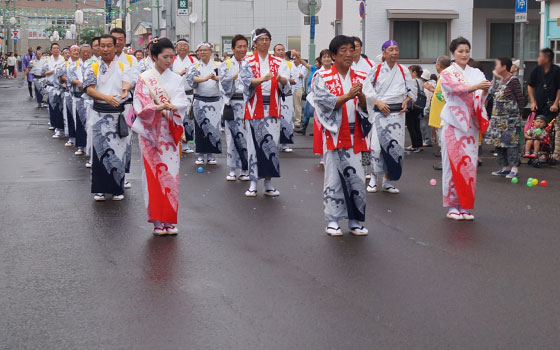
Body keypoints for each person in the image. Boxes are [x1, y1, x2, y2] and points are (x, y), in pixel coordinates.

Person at [312, 35, 371, 236]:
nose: (348, 54)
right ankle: (332, 219)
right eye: (343, 50)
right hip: (335, 134)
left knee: (358, 177)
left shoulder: (362, 76)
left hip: (358, 134)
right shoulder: (323, 77)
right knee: (334, 177)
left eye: (351, 50)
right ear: (334, 55)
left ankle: (355, 219)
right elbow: (323, 103)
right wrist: (347, 96)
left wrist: (362, 97)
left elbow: (369, 104)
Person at [133, 38, 188, 235]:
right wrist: (158, 107)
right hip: (150, 135)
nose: (169, 61)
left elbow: (182, 100)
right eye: (165, 57)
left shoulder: (176, 79)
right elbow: (140, 105)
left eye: (171, 57)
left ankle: (169, 219)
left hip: (170, 133)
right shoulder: (144, 78)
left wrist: (174, 107)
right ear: (154, 56)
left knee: (171, 176)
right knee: (153, 177)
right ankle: (157, 219)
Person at [439, 37, 491, 221]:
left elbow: (482, 93)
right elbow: (455, 89)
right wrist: (476, 87)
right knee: (452, 165)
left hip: (470, 124)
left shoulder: (476, 72)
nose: (464, 54)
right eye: (460, 51)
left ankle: (465, 205)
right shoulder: (447, 73)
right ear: (453, 53)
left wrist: (483, 90)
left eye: (467, 51)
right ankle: (452, 205)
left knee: (469, 166)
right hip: (453, 123)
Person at [239, 28, 290, 197]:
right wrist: (262, 79)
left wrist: (282, 80)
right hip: (255, 107)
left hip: (273, 107)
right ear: (254, 43)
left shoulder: (278, 61)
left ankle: (268, 183)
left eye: (267, 39)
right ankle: (253, 181)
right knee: (254, 145)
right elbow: (245, 82)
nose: (264, 42)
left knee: (271, 146)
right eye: (261, 39)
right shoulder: (247, 62)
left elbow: (285, 80)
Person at [363, 40, 417, 195]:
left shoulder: (403, 70)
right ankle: (373, 179)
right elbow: (366, 89)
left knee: (394, 148)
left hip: (397, 115)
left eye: (396, 49)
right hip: (379, 113)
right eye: (391, 50)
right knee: (375, 147)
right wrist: (378, 102)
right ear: (384, 52)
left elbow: (411, 89)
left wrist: (407, 100)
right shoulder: (376, 69)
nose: (394, 52)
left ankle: (387, 181)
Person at [83, 34, 132, 202]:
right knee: (99, 152)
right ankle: (100, 189)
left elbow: (128, 82)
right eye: (101, 46)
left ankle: (117, 188)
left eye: (108, 46)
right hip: (99, 114)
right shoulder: (93, 67)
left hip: (118, 115)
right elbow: (89, 90)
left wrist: (124, 89)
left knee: (118, 152)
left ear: (115, 46)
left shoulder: (124, 66)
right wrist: (106, 98)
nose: (104, 49)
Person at [485, 57, 526, 179]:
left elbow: (520, 98)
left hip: (510, 120)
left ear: (504, 67)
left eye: (497, 65)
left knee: (510, 143)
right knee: (498, 143)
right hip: (497, 119)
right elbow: (490, 92)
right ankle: (505, 167)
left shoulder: (513, 81)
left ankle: (514, 168)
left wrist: (521, 114)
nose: (495, 68)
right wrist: (494, 78)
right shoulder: (498, 81)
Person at [219, 34, 251, 182]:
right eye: (239, 46)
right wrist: (235, 76)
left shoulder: (250, 63)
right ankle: (232, 169)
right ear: (233, 48)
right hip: (232, 103)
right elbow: (223, 83)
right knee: (231, 137)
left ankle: (246, 168)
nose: (242, 49)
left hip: (247, 104)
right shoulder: (225, 64)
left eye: (245, 46)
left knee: (247, 137)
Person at [186, 42, 222, 165]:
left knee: (214, 128)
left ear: (210, 52)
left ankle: (211, 155)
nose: (202, 52)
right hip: (200, 100)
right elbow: (191, 79)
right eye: (200, 50)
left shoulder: (218, 65)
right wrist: (205, 78)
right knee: (199, 128)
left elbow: (225, 79)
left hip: (215, 101)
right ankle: (200, 155)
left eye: (205, 50)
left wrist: (215, 78)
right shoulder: (194, 66)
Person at [172, 38, 198, 154]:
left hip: (189, 93)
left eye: (185, 45)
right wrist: (180, 73)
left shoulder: (193, 60)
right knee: (175, 118)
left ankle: (186, 143)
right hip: (175, 94)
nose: (182, 47)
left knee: (188, 119)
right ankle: (175, 142)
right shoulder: (171, 60)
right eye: (180, 45)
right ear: (176, 47)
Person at [67, 44, 93, 156]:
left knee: (91, 124)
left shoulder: (95, 63)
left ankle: (91, 148)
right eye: (84, 52)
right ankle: (81, 146)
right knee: (80, 121)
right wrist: (79, 83)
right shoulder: (74, 65)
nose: (86, 54)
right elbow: (71, 78)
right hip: (79, 96)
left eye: (88, 52)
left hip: (92, 97)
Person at [428, 55, 451, 170]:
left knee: (444, 142)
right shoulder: (442, 76)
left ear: (439, 65)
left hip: (442, 116)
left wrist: (433, 91)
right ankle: (444, 162)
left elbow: (445, 96)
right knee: (442, 141)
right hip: (440, 115)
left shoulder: (444, 77)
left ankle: (445, 163)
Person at [528, 48, 560, 124]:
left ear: (546, 59)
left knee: (550, 129)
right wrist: (532, 102)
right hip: (538, 105)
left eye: (540, 56)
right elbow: (530, 85)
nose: (538, 59)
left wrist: (556, 103)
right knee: (537, 129)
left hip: (551, 106)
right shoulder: (537, 69)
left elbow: (559, 88)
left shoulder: (557, 70)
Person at [273, 43, 295, 152]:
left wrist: (286, 79)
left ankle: (285, 143)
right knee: (274, 119)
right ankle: (274, 142)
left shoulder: (289, 64)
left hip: (286, 94)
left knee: (286, 119)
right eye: (278, 50)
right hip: (275, 94)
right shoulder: (271, 63)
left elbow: (294, 79)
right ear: (274, 52)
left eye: (282, 49)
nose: (281, 51)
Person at [43, 43, 66, 138]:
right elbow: (44, 72)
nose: (56, 50)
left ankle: (61, 126)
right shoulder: (47, 60)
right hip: (51, 86)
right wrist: (54, 70)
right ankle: (54, 125)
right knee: (53, 106)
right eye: (54, 48)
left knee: (61, 108)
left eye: (57, 48)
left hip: (62, 86)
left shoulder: (63, 59)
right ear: (51, 50)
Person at [405, 65, 425, 153]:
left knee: (411, 125)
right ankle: (418, 144)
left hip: (412, 105)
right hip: (419, 105)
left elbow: (409, 92)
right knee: (417, 125)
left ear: (414, 72)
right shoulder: (421, 81)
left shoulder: (413, 81)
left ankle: (414, 145)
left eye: (410, 72)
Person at [291, 52, 307, 129]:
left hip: (298, 87)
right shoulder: (291, 65)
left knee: (297, 105)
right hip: (291, 87)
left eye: (296, 58)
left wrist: (298, 75)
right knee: (292, 105)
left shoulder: (302, 67)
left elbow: (301, 75)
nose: (294, 59)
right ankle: (292, 120)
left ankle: (297, 121)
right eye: (293, 58)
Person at [420, 69, 435, 147]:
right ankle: (427, 139)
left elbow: (428, 99)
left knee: (425, 125)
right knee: (426, 125)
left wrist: (425, 110)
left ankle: (427, 140)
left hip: (426, 108)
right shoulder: (431, 84)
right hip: (429, 107)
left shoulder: (427, 85)